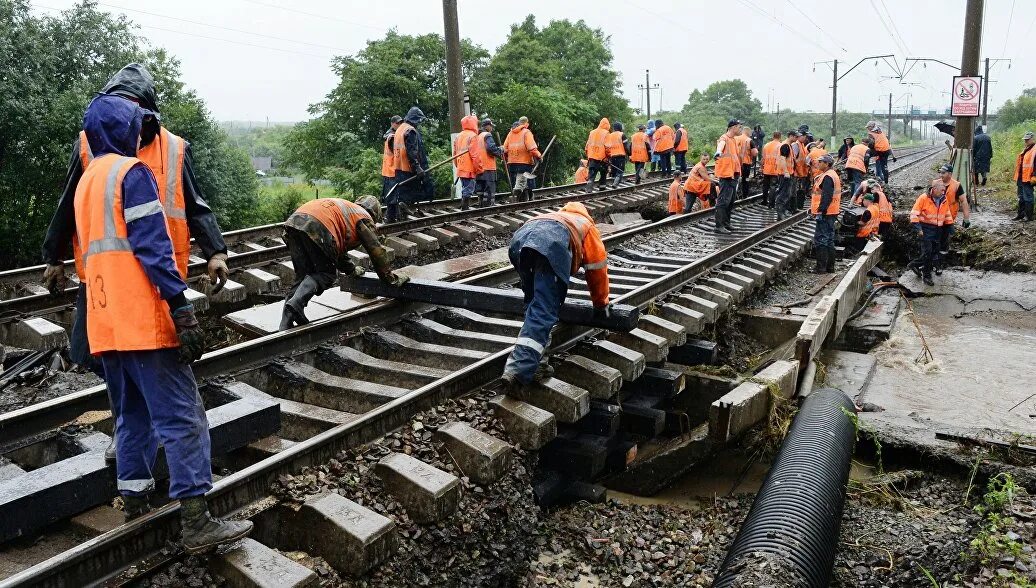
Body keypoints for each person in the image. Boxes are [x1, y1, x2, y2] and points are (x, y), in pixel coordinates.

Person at [74, 93, 251, 550]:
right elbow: (152, 248)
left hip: (105, 323)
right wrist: (181, 306)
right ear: (122, 130)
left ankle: (134, 501)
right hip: (143, 320)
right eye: (134, 125)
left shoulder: (89, 179)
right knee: (182, 417)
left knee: (130, 415)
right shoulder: (131, 174)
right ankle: (195, 520)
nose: (140, 133)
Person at [41, 63, 229, 463]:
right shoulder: (88, 146)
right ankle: (133, 432)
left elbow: (194, 202)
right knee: (101, 357)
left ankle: (141, 439)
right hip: (106, 283)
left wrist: (215, 250)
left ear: (147, 111)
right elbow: (67, 204)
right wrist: (53, 257)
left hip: (159, 282)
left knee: (161, 365)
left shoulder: (174, 148)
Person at [501, 202, 610, 391]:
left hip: (521, 240)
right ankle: (518, 370)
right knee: (544, 310)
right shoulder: (586, 226)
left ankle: (538, 363)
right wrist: (601, 304)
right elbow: (597, 270)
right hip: (550, 246)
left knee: (535, 304)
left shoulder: (555, 216)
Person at [280, 196, 407, 329]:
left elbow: (337, 252)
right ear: (375, 214)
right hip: (317, 224)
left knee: (302, 276)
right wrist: (390, 278)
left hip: (294, 222)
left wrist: (351, 270)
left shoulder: (347, 211)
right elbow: (376, 250)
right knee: (326, 274)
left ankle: (284, 324)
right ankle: (296, 304)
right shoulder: (362, 216)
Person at [390, 106, 432, 222]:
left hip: (398, 167)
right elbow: (412, 151)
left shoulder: (400, 129)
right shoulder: (410, 131)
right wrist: (417, 167)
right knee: (411, 192)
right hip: (408, 167)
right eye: (419, 120)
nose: (419, 123)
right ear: (415, 119)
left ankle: (402, 216)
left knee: (402, 192)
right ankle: (404, 210)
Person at [908, 179, 953, 286]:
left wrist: (950, 226)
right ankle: (927, 276)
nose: (943, 192)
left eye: (944, 190)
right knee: (928, 253)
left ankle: (914, 264)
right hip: (926, 229)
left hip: (938, 229)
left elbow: (947, 213)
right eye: (941, 190)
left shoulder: (943, 198)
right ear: (934, 189)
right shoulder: (923, 198)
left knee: (934, 252)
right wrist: (919, 229)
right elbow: (914, 214)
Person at [936, 164, 972, 273]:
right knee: (933, 241)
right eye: (940, 172)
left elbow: (964, 202)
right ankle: (932, 262)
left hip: (948, 219)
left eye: (943, 173)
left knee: (944, 242)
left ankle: (940, 265)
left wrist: (966, 218)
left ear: (950, 174)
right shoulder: (936, 184)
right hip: (934, 219)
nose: (941, 175)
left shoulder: (956, 186)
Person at [810, 154, 841, 274]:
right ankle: (830, 267)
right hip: (831, 212)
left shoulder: (828, 176)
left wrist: (821, 210)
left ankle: (821, 268)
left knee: (821, 239)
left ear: (827, 164)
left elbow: (826, 196)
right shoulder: (830, 175)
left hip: (826, 213)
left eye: (821, 161)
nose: (818, 163)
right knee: (828, 240)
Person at [713, 119, 742, 234]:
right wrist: (718, 152)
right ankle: (719, 226)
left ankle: (726, 223)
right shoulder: (724, 138)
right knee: (723, 201)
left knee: (730, 201)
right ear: (733, 127)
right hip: (726, 174)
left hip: (733, 174)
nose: (740, 129)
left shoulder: (733, 140)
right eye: (739, 127)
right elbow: (721, 144)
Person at [504, 116, 542, 202]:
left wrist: (507, 158)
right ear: (526, 124)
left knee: (521, 183)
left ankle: (522, 203)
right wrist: (539, 156)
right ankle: (514, 199)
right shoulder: (526, 132)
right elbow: (532, 148)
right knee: (521, 183)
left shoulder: (510, 133)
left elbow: (505, 149)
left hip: (512, 163)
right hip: (524, 163)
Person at [472, 118, 505, 207]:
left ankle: (481, 206)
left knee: (481, 189)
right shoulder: (487, 135)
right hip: (488, 167)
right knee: (489, 188)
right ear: (487, 126)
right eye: (491, 126)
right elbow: (491, 148)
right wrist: (500, 150)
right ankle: (488, 206)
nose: (492, 128)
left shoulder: (477, 136)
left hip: (479, 167)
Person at [453, 114, 482, 210]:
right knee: (468, 189)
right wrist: (479, 169)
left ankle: (464, 206)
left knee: (465, 187)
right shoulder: (473, 136)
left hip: (461, 167)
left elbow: (454, 154)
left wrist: (457, 166)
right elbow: (475, 156)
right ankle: (465, 208)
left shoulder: (458, 136)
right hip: (469, 168)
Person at [1013, 130, 1036, 221]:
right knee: (1021, 197)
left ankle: (1028, 216)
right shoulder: (1026, 149)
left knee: (1028, 197)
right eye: (1025, 140)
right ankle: (1021, 214)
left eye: (1027, 139)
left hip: (1028, 178)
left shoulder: (1034, 149)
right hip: (1021, 177)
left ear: (1032, 139)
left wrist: (1034, 175)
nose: (1025, 141)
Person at [584, 118, 611, 193]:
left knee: (591, 176)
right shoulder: (606, 133)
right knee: (603, 175)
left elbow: (586, 147)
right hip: (602, 159)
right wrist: (609, 157)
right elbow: (608, 148)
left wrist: (589, 156)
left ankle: (588, 190)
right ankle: (602, 190)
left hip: (592, 158)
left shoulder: (592, 132)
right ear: (607, 125)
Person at [381, 115, 402, 199]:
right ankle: (393, 212)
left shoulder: (389, 135)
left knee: (390, 195)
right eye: (397, 123)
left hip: (388, 170)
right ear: (392, 124)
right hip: (392, 170)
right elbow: (398, 153)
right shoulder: (393, 137)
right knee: (393, 197)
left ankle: (392, 211)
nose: (399, 124)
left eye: (400, 122)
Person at [760, 131, 783, 207]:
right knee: (773, 187)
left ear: (773, 136)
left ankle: (764, 201)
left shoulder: (766, 145)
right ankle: (771, 204)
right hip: (775, 170)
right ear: (780, 137)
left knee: (765, 186)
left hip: (766, 169)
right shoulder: (780, 145)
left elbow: (763, 158)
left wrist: (761, 167)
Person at [605, 121, 629, 188]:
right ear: (620, 127)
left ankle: (612, 184)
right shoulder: (622, 135)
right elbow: (626, 147)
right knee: (620, 171)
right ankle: (615, 184)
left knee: (614, 172)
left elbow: (607, 147)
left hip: (612, 156)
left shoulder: (609, 135)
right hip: (620, 156)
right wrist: (629, 154)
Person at [791, 131, 811, 211]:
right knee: (793, 191)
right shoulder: (796, 145)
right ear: (800, 136)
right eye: (805, 137)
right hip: (796, 172)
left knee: (799, 190)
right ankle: (792, 207)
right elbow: (794, 159)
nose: (806, 139)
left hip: (801, 172)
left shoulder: (802, 145)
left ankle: (797, 206)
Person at [775, 141, 793, 220]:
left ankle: (783, 212)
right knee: (783, 194)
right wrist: (786, 171)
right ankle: (780, 214)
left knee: (787, 194)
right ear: (791, 136)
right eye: (795, 137)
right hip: (784, 175)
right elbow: (782, 158)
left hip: (787, 174)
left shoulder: (788, 146)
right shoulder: (785, 146)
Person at [737, 127, 755, 198]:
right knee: (746, 179)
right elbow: (755, 153)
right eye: (750, 133)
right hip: (746, 164)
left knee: (736, 179)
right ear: (748, 132)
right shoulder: (749, 140)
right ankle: (745, 195)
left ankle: (736, 195)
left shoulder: (736, 138)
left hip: (737, 163)